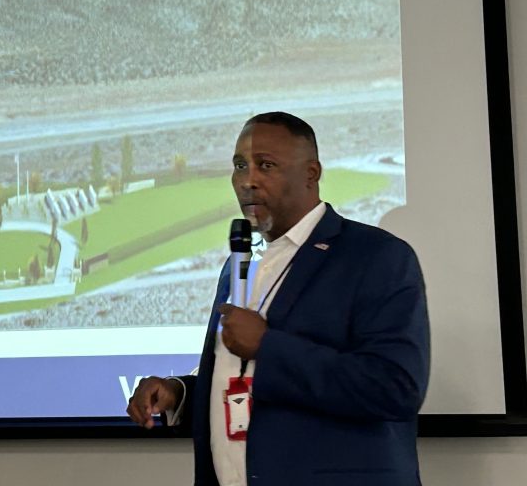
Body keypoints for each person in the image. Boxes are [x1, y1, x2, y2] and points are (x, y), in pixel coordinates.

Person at [126, 112, 429, 486]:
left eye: (265, 165)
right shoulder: (239, 266)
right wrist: (180, 394)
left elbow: (396, 388)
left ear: (311, 173)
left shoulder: (376, 257)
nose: (247, 181)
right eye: (240, 166)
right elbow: (240, 380)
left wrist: (268, 347)